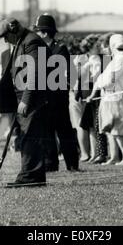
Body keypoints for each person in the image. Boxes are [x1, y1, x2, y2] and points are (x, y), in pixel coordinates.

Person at [0, 17, 51, 188]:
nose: (5, 40)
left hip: (33, 98)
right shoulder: (23, 41)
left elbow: (36, 73)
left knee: (30, 136)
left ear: (14, 30)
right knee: (27, 136)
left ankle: (31, 176)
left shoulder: (32, 41)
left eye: (6, 36)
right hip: (23, 97)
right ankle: (32, 174)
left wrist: (26, 100)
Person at [33, 14, 80, 171]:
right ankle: (50, 162)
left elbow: (64, 73)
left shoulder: (60, 49)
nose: (36, 35)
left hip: (58, 98)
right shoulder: (38, 50)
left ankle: (72, 163)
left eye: (38, 31)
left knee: (64, 131)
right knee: (46, 131)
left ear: (45, 33)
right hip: (44, 98)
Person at [86, 34, 123, 165]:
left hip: (117, 97)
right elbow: (101, 79)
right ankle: (114, 157)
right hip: (109, 97)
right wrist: (99, 84)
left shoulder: (120, 58)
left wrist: (101, 82)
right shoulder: (114, 60)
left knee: (119, 129)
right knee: (111, 130)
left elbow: (109, 80)